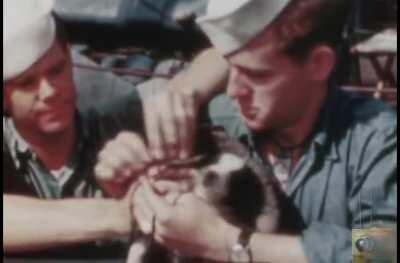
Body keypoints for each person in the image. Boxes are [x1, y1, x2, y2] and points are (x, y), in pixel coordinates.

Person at [96, 0, 397, 262]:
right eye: (230, 69)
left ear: (318, 64)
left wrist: (226, 242)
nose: (233, 90)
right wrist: (127, 174)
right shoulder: (218, 120)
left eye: (256, 75)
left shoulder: (374, 139)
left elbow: (385, 250)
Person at [3, 0, 226, 258]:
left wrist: (183, 92)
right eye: (27, 82)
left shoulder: (122, 118)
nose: (50, 91)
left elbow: (232, 49)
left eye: (57, 70)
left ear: (69, 58)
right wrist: (123, 213)